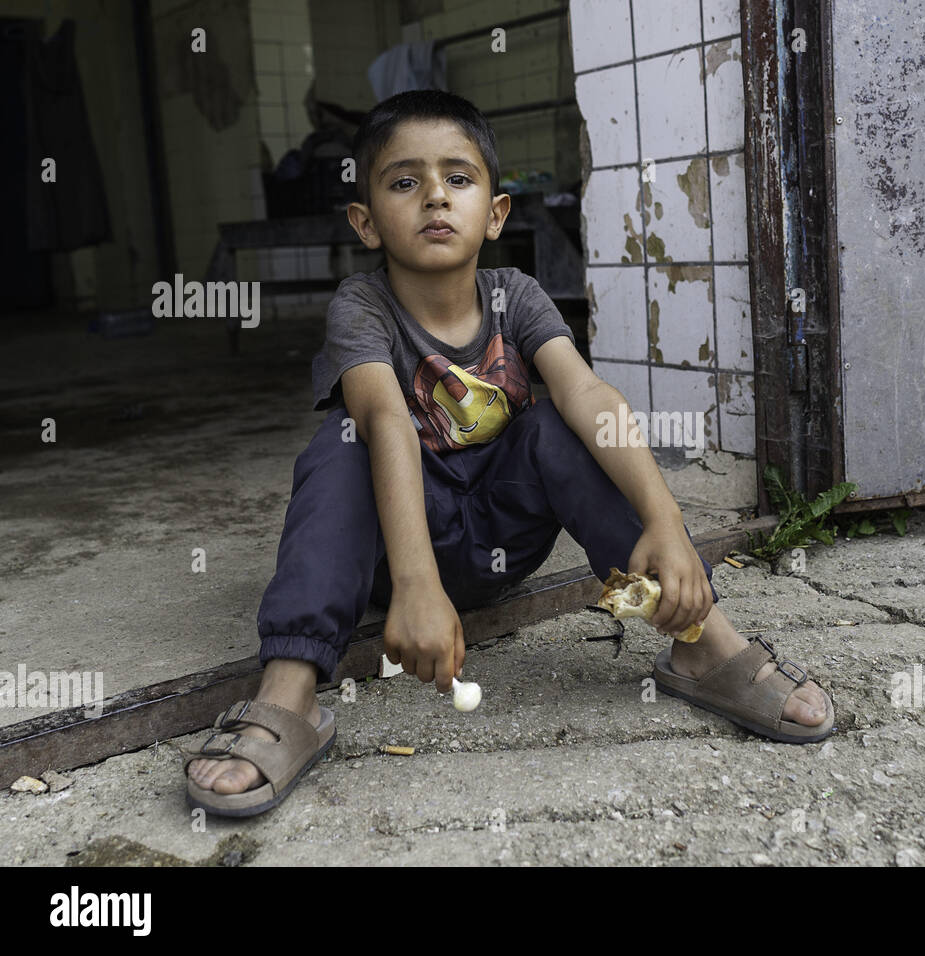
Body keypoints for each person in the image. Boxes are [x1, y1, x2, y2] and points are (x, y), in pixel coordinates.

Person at [183, 89, 833, 817]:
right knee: (341, 441)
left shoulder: (514, 298)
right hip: (399, 553)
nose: (434, 195)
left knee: (559, 423)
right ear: (365, 222)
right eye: (405, 181)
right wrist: (417, 585)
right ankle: (290, 693)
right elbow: (389, 422)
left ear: (494, 214)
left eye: (458, 179)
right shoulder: (360, 310)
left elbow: (590, 397)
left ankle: (700, 642)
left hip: (499, 531)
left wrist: (665, 521)